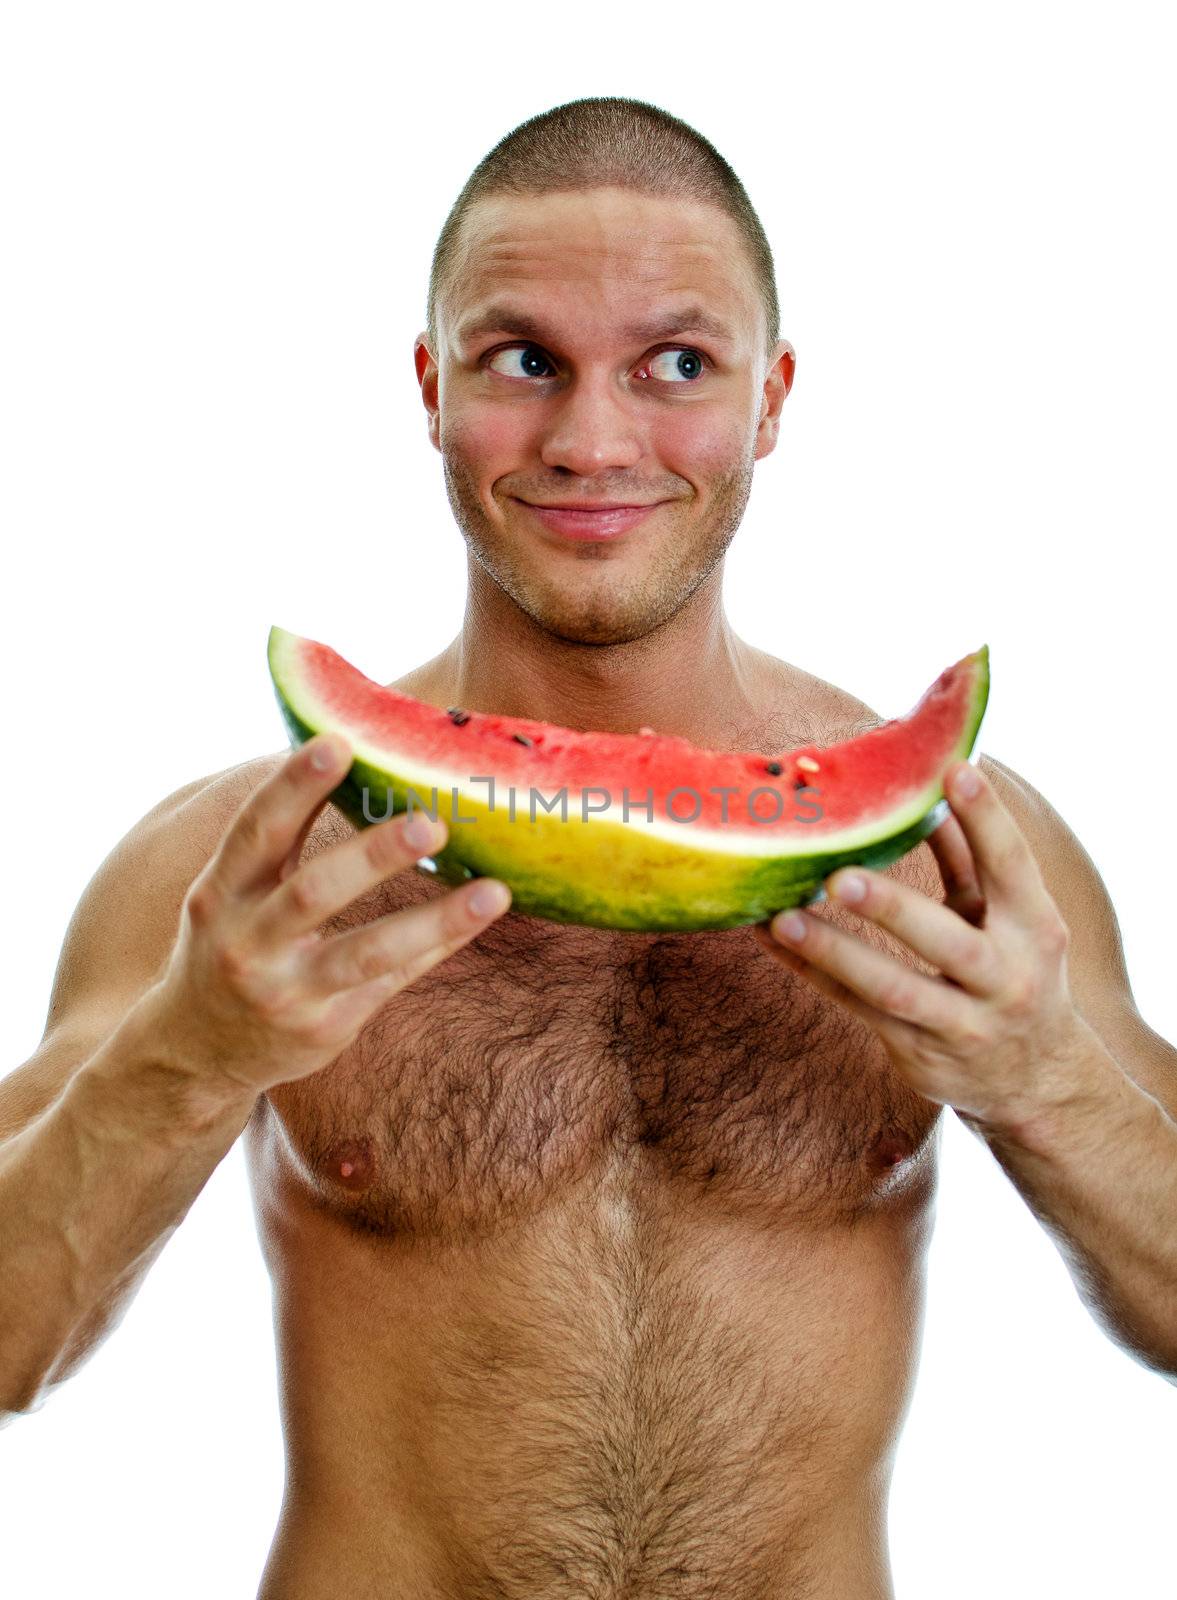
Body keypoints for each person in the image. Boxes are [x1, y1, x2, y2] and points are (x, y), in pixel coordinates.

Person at [2, 96, 1174, 1599]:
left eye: (675, 365)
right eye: (521, 362)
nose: (592, 439)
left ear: (771, 398)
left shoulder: (960, 853)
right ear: (431, 386)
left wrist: (1043, 1081)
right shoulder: (248, 866)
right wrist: (187, 1049)